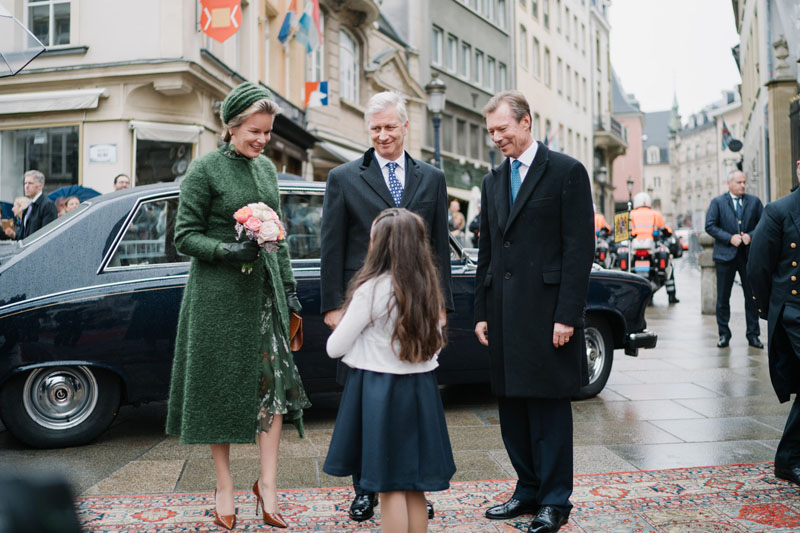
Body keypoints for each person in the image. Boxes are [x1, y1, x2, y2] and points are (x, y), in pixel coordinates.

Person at [165, 82, 310, 531]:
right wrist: (227, 250)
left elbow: (278, 237)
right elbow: (184, 236)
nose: (263, 140)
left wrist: (290, 290)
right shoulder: (204, 170)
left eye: (267, 132)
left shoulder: (267, 170)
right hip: (217, 299)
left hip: (265, 297)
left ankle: (268, 485)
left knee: (274, 390)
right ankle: (224, 486)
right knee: (219, 390)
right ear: (231, 126)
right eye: (255, 131)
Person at [320, 91, 453, 522]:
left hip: (417, 302)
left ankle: (411, 479)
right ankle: (365, 488)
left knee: (408, 401)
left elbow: (438, 247)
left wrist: (441, 306)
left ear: (405, 126)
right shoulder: (343, 177)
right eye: (374, 128)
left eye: (389, 127)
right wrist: (333, 307)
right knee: (366, 401)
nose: (382, 135)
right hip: (362, 302)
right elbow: (331, 246)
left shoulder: (431, 178)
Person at [474, 90, 594, 533]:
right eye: (491, 132)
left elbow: (579, 250)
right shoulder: (491, 181)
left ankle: (555, 501)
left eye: (502, 129)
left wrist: (568, 315)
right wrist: (481, 311)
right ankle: (527, 490)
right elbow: (489, 251)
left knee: (548, 412)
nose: (496, 138)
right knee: (512, 410)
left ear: (526, 122)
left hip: (548, 316)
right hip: (504, 315)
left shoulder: (566, 171)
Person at [323, 208, 456, 532]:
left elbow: (334, 347)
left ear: (379, 245)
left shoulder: (371, 289)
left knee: (389, 485)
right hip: (421, 390)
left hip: (380, 392)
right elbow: (435, 344)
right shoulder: (427, 287)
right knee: (414, 485)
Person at [747, 184, 800, 486]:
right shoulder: (779, 211)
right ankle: (788, 459)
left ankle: (788, 458)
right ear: (799, 167)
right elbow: (757, 266)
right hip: (793, 309)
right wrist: (771, 310)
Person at [705, 170, 764, 348]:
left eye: (744, 182)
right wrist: (729, 238)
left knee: (751, 297)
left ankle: (753, 335)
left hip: (748, 257)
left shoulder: (754, 202)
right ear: (729, 183)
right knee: (723, 298)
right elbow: (710, 225)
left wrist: (750, 236)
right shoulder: (717, 202)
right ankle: (724, 334)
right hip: (725, 257)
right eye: (739, 182)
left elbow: (763, 224)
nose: (743, 185)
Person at [629, 191, 679, 303]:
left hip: (634, 247)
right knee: (668, 268)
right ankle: (671, 296)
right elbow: (667, 230)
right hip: (651, 246)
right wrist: (667, 234)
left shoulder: (630, 214)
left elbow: (623, 232)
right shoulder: (656, 214)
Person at [18, 170, 58, 239]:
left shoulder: (48, 205)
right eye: (25, 183)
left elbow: (47, 235)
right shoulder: (28, 208)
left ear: (40, 186)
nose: (26, 186)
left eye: (30, 183)